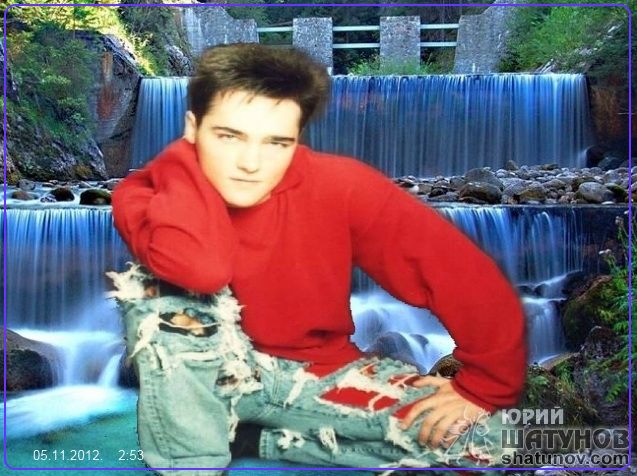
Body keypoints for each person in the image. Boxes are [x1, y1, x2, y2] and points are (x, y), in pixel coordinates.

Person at [110, 43, 527, 475]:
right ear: (193, 128)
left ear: (297, 138)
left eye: (276, 142)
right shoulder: (142, 196)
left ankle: (259, 440)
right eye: (229, 136)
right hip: (207, 375)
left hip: (315, 375)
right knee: (155, 295)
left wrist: (482, 386)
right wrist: (181, 168)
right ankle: (190, 463)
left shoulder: (342, 186)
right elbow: (201, 268)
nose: (250, 163)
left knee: (494, 442)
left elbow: (461, 272)